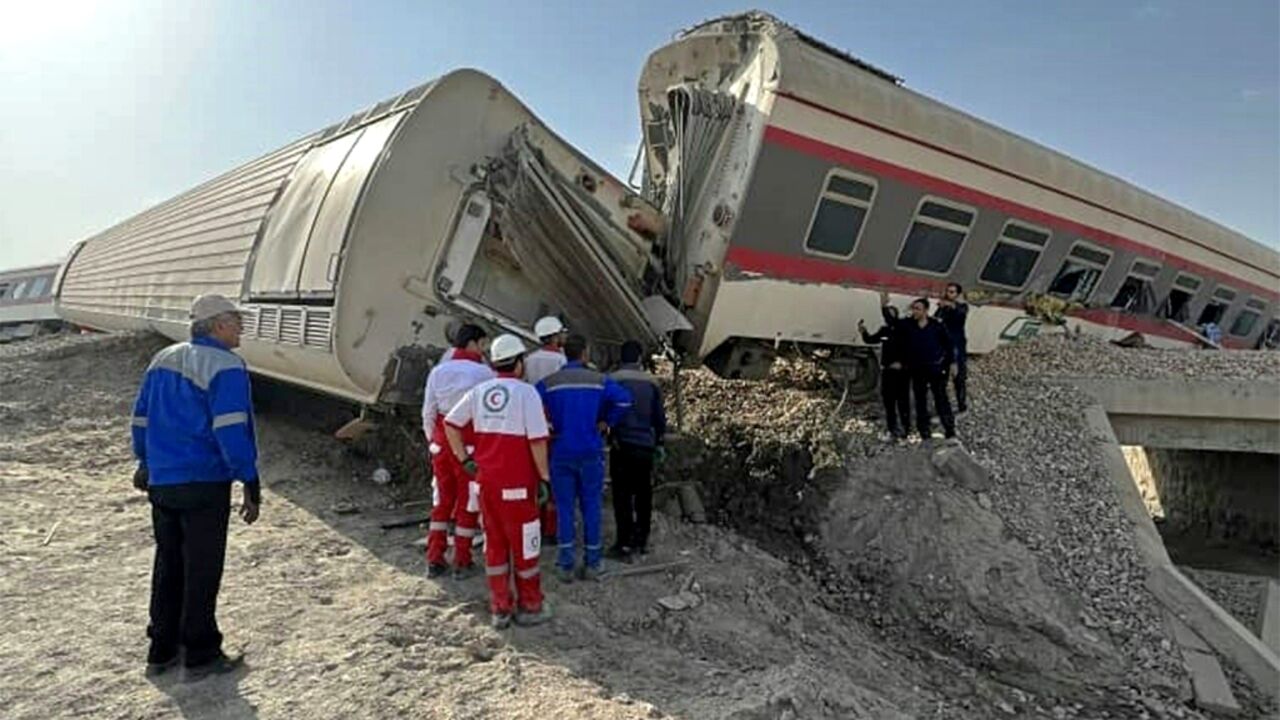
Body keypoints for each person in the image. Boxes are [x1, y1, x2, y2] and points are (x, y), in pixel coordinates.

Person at [130, 294, 260, 680]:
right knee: (202, 569)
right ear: (217, 325)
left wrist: (145, 461)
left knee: (169, 564)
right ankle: (200, 654)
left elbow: (141, 418)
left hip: (164, 480)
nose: (241, 328)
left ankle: (161, 651)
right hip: (203, 480)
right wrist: (249, 479)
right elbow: (230, 428)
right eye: (236, 321)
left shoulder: (162, 360)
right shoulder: (226, 365)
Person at [443, 334, 553, 629]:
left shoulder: (480, 392)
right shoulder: (527, 394)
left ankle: (499, 608)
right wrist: (544, 478)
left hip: (486, 485)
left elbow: (450, 423)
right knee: (526, 547)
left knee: (495, 546)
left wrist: (465, 460)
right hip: (519, 487)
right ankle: (530, 605)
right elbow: (537, 441)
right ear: (518, 364)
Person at [536, 334, 632, 582]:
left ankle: (565, 564)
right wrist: (606, 423)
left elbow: (532, 405)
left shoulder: (550, 383)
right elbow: (624, 400)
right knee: (591, 507)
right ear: (585, 353)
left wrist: (547, 426)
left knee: (565, 508)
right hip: (591, 451)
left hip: (561, 452)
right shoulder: (599, 380)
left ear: (564, 352)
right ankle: (592, 563)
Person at [421, 324, 495, 579]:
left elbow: (428, 413)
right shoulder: (485, 374)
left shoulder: (438, 372)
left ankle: (434, 557)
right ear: (474, 343)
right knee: (468, 503)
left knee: (442, 501)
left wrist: (434, 442)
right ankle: (462, 560)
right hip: (470, 446)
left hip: (441, 444)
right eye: (483, 344)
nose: (485, 349)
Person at [607, 340, 668, 561]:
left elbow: (606, 411)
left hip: (621, 445)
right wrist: (660, 442)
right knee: (643, 495)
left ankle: (623, 543)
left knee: (621, 496)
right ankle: (641, 541)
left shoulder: (612, 380)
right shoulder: (651, 382)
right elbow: (659, 417)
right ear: (640, 358)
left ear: (621, 357)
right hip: (645, 446)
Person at [903, 297, 957, 441]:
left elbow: (949, 344)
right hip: (917, 369)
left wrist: (952, 363)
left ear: (926, 310)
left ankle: (950, 430)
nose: (914, 311)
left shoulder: (937, 325)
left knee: (941, 399)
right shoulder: (908, 325)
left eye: (917, 309)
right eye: (913, 308)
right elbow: (893, 324)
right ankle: (924, 432)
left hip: (935, 368)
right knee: (920, 401)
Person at [859, 291, 910, 440]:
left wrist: (883, 304)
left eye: (891, 313)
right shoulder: (885, 331)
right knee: (889, 402)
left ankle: (905, 431)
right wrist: (863, 331)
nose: (889, 316)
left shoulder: (903, 330)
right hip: (887, 371)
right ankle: (892, 430)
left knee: (902, 402)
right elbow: (871, 340)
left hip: (902, 372)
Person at [935, 282, 970, 414]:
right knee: (941, 377)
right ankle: (942, 406)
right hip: (943, 344)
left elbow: (960, 313)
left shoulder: (962, 307)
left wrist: (950, 305)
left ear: (957, 294)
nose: (949, 294)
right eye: (947, 291)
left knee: (959, 378)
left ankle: (962, 406)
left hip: (957, 345)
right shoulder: (943, 308)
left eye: (952, 292)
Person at [523, 316, 568, 386]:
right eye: (562, 332)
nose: (565, 335)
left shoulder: (529, 359)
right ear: (554, 336)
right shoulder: (562, 360)